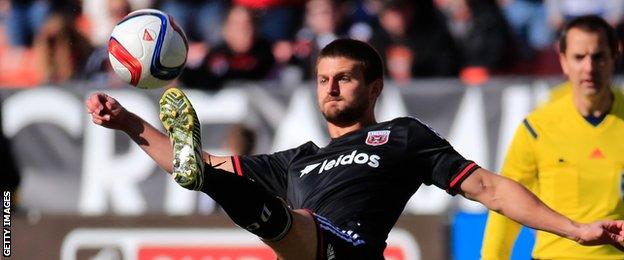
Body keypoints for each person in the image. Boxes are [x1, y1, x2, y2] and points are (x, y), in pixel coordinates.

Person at [86, 38, 624, 259]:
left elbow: (488, 188)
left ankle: (265, 216)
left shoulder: (404, 138)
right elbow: (200, 165)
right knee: (215, 176)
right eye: (322, 80)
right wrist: (132, 123)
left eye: (344, 79)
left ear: (374, 88)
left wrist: (576, 229)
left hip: (348, 250)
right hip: (302, 237)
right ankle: (260, 211)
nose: (332, 89)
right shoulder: (297, 159)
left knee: (282, 219)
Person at [482, 15, 624, 259]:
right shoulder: (537, 128)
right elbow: (505, 207)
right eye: (579, 57)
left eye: (598, 57)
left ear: (614, 58)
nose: (589, 67)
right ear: (564, 61)